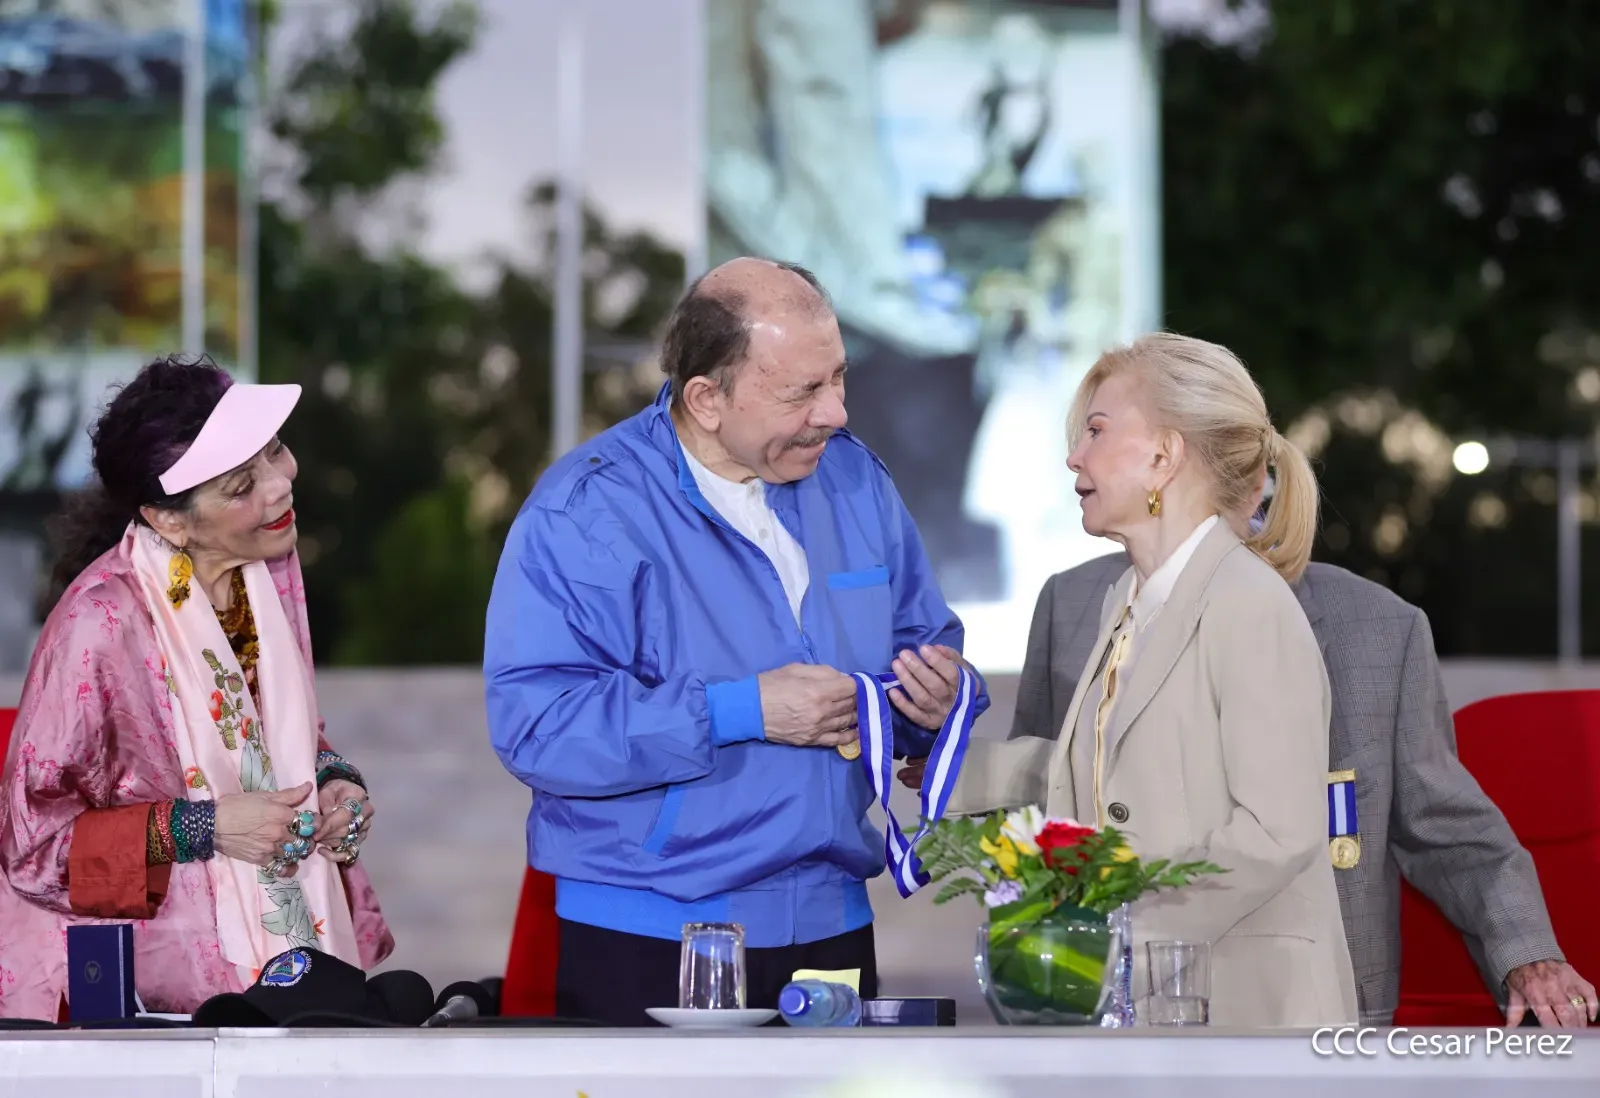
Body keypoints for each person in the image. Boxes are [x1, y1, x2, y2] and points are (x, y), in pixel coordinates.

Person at [484, 257, 986, 1027]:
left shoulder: (857, 482)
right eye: (803, 392)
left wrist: (941, 696)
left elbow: (927, 641)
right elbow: (537, 728)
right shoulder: (585, 509)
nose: (838, 413)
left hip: (833, 922)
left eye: (839, 379)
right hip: (647, 928)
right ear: (707, 399)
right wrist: (741, 710)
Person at [997, 520, 1598, 1029]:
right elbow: (1038, 807)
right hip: (1103, 1001)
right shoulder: (1074, 604)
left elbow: (1448, 828)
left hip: (1306, 1016)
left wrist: (1529, 956)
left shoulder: (1380, 628)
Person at [940, 332, 1359, 1027]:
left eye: (1096, 431)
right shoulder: (1129, 602)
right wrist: (947, 772)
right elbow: (1114, 777)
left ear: (1164, 457)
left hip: (1251, 1012)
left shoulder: (1249, 602)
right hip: (1160, 1008)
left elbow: (1277, 832)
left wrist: (1121, 932)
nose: (1073, 456)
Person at [0, 355, 392, 1020]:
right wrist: (205, 827)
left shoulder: (266, 566)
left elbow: (277, 733)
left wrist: (331, 780)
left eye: (275, 452)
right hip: (161, 998)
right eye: (242, 484)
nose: (278, 486)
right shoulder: (100, 623)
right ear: (170, 521)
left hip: (291, 962)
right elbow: (34, 848)